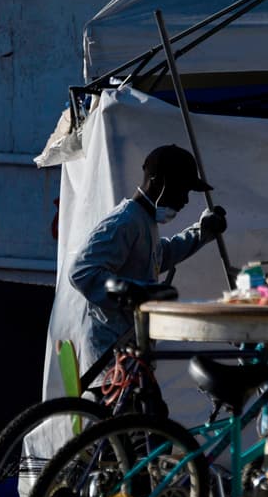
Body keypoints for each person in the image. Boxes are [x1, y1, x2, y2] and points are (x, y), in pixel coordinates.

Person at [69, 144, 228, 365]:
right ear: (159, 182)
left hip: (130, 349)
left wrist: (202, 231)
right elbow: (82, 272)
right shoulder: (125, 221)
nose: (186, 200)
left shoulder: (144, 221)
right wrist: (134, 293)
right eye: (183, 189)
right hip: (110, 354)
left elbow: (159, 257)